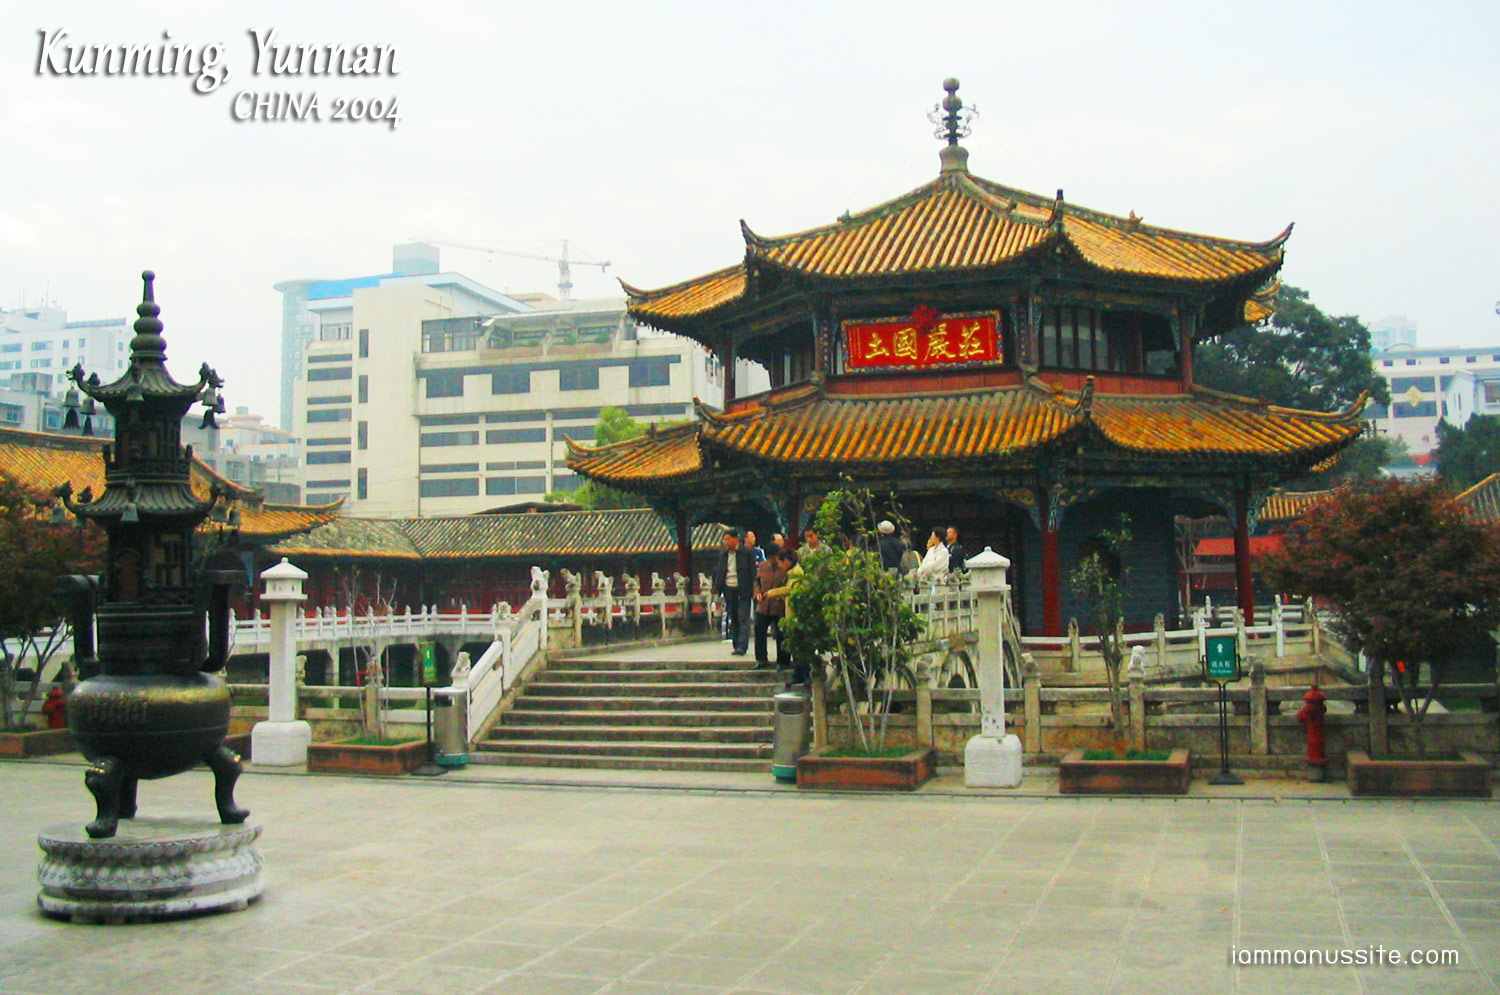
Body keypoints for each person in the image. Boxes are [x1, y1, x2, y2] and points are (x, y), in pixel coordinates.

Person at [763, 549, 806, 685]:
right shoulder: (791, 573)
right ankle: (798, 675)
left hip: (796, 615)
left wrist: (774, 592)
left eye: (781, 562)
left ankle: (803, 675)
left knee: (799, 647)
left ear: (786, 561)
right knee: (795, 647)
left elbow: (792, 590)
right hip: (791, 613)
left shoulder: (796, 573)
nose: (780, 566)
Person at [711, 528, 755, 656]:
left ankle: (742, 646)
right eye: (724, 540)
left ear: (736, 539)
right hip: (729, 588)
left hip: (743, 589)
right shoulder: (723, 554)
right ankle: (736, 644)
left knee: (743, 617)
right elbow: (721, 571)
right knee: (733, 617)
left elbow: (752, 572)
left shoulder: (747, 552)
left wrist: (754, 588)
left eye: (728, 539)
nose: (725, 542)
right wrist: (717, 587)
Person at [752, 548, 789, 668]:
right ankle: (761, 659)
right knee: (759, 630)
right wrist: (757, 592)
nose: (772, 561)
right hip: (764, 604)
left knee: (781, 634)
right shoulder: (762, 566)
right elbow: (757, 581)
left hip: (779, 605)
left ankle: (783, 661)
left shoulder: (784, 567)